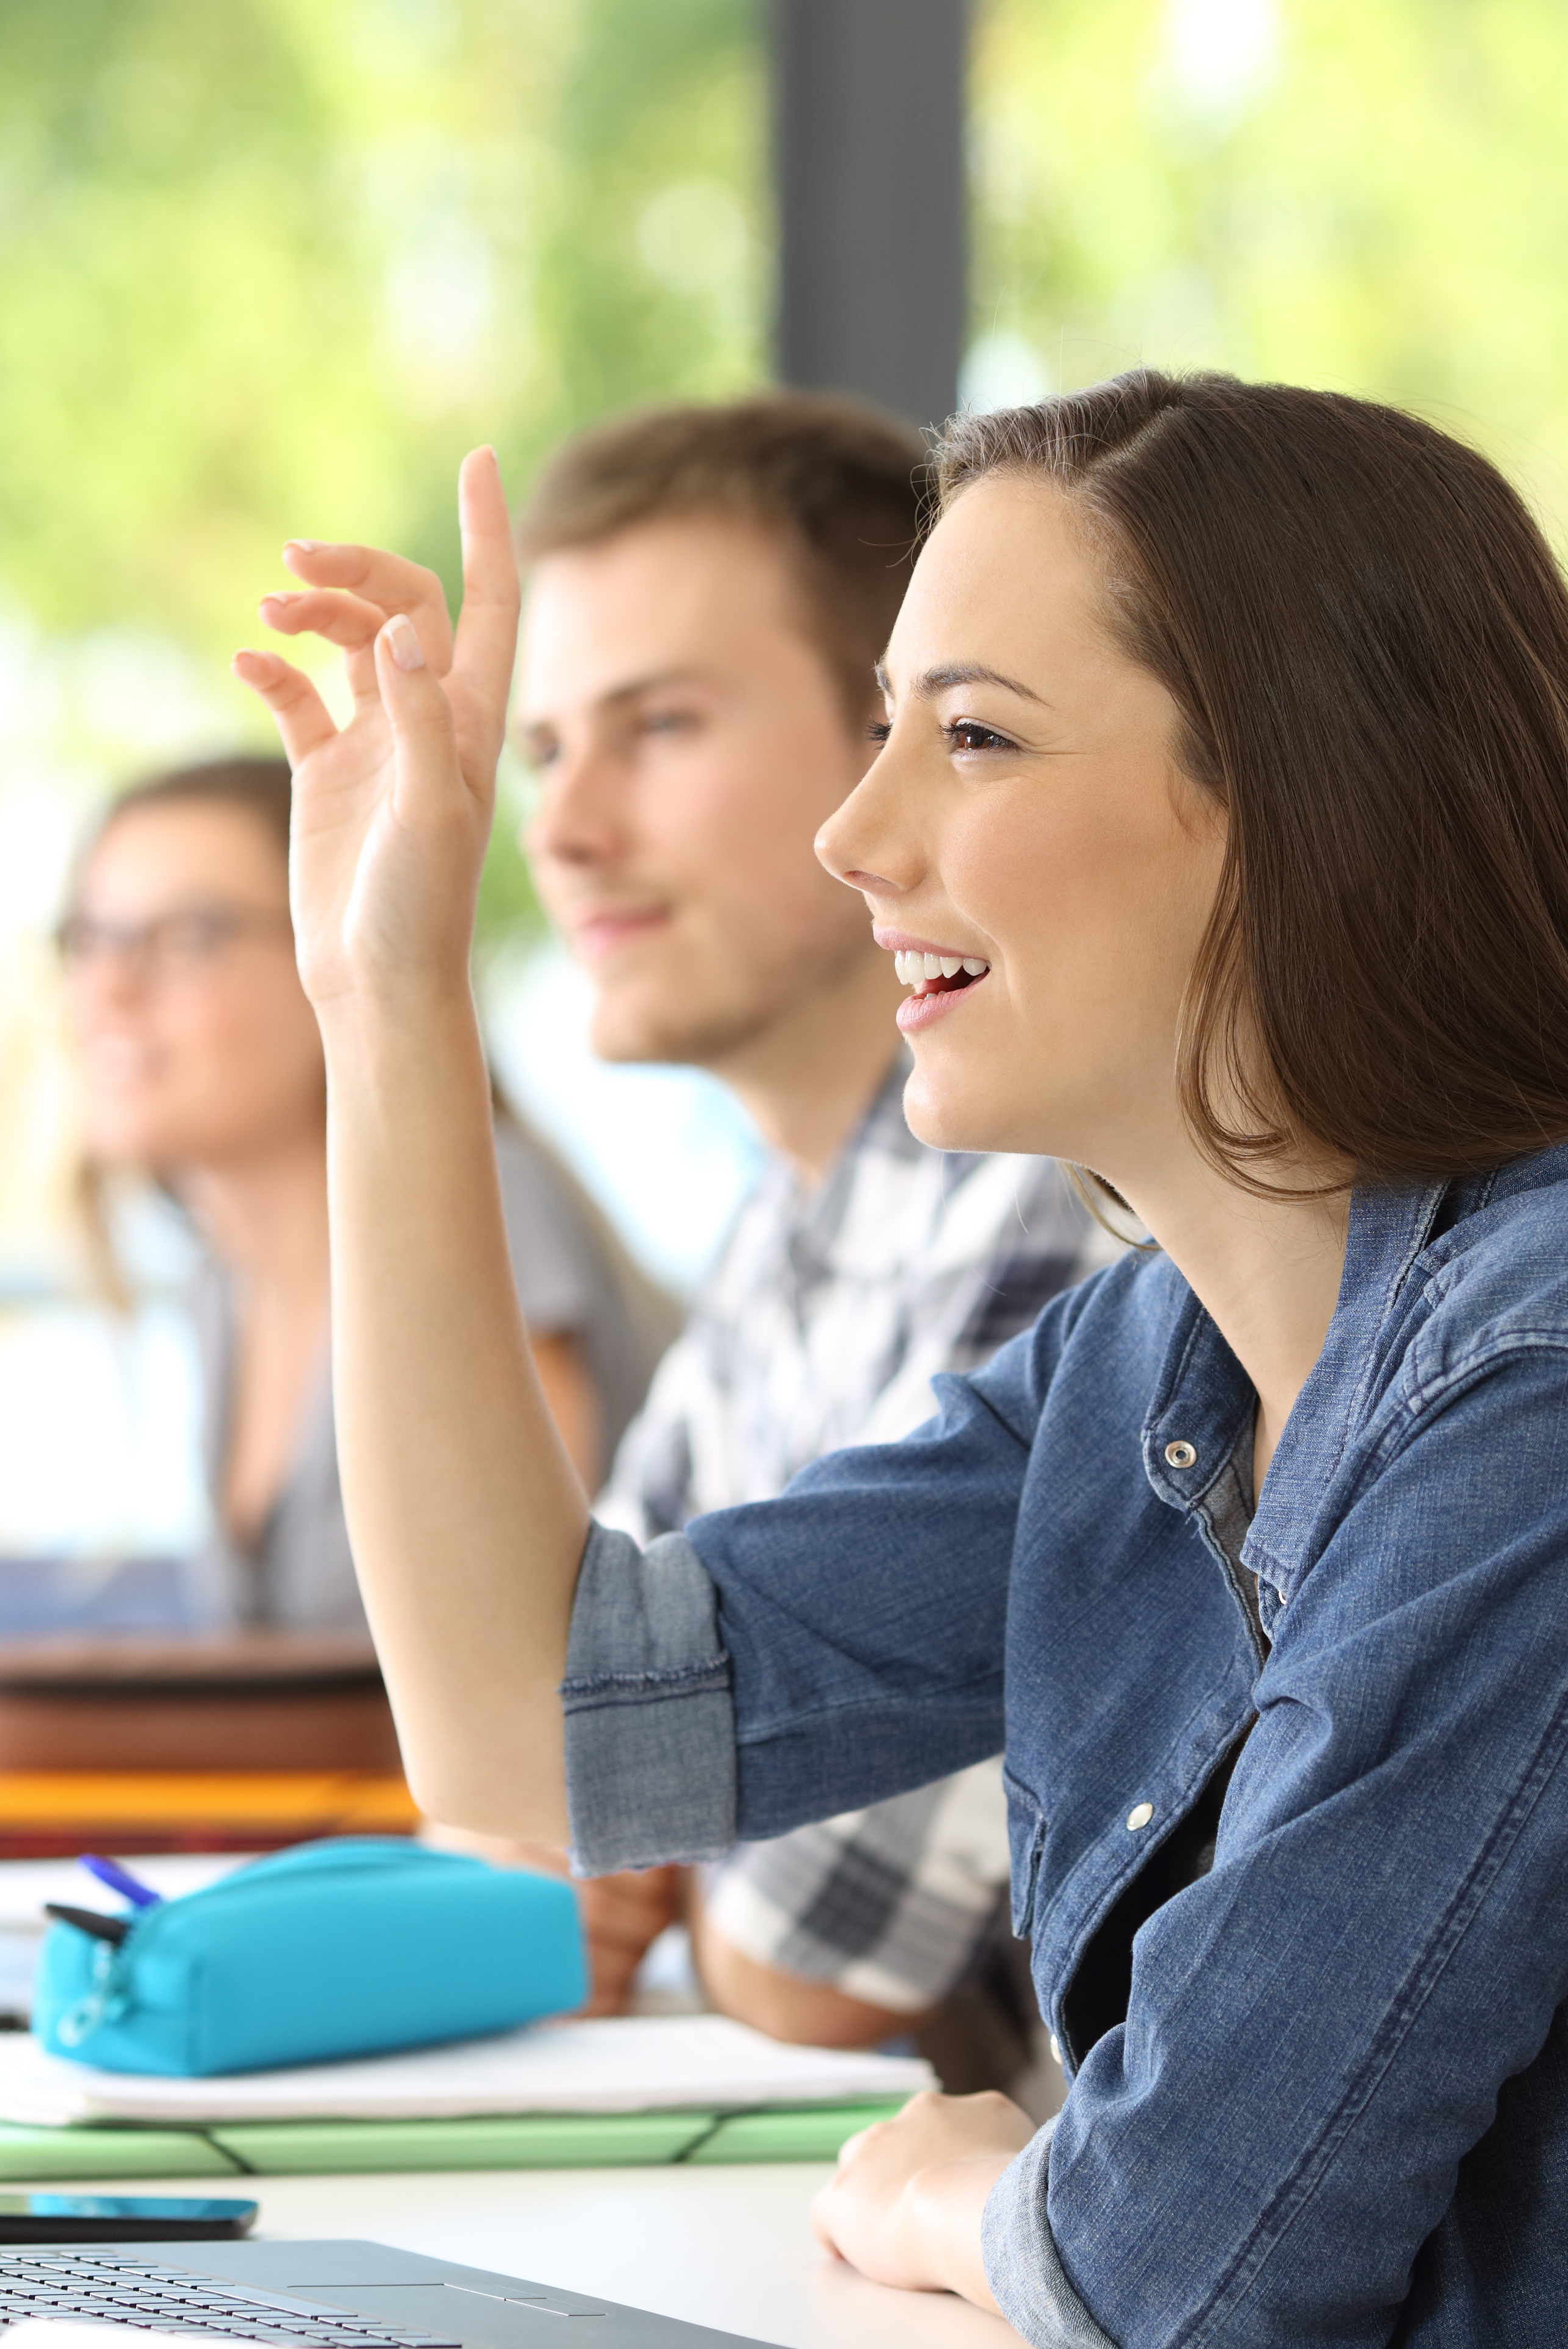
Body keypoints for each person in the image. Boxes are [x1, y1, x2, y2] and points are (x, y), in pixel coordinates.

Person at [236, 375, 1568, 2345]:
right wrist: (384, 993)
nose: (857, 834)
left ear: (1294, 811)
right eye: (873, 738)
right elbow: (544, 1724)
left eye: (975, 741)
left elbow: (1186, 2260)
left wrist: (968, 2189)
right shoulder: (1153, 1358)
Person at [501, 395, 1117, 2068]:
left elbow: (818, 1972)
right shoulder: (790, 1233)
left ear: (899, 738)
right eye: (545, 749)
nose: (563, 830)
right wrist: (643, 1842)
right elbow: (553, 1782)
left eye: (662, 726)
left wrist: (660, 1863)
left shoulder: (1064, 1198)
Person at [58, 755, 666, 1631]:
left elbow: (518, 1645)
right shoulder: (220, 1291)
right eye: (91, 939)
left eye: (190, 936)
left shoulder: (488, 1211)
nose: (108, 991)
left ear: (344, 947)